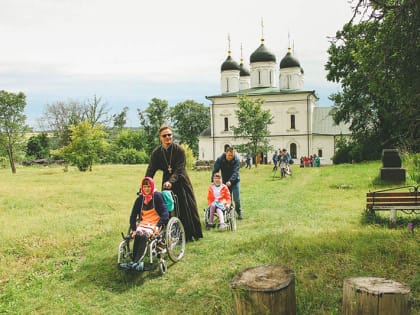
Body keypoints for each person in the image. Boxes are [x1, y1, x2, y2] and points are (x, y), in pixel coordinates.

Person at [146, 125, 203, 242]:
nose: (168, 137)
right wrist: (146, 184)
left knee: (185, 206)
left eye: (169, 135)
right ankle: (171, 233)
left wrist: (171, 181)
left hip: (181, 180)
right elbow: (151, 169)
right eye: (164, 135)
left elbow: (180, 169)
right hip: (166, 181)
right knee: (168, 207)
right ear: (160, 138)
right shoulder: (157, 153)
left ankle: (188, 235)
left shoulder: (179, 150)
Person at [121, 177, 169, 270]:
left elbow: (165, 213)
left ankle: (136, 261)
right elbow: (133, 216)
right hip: (143, 223)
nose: (146, 189)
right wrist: (134, 229)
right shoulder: (140, 199)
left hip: (155, 223)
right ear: (142, 188)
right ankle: (135, 261)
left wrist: (158, 226)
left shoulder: (157, 196)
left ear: (152, 186)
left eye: (148, 186)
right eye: (144, 187)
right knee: (138, 234)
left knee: (144, 235)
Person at [212, 146, 243, 219]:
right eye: (229, 155)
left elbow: (236, 172)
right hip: (225, 182)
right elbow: (215, 170)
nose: (230, 157)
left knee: (236, 199)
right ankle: (229, 214)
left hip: (235, 181)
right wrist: (213, 181)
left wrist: (231, 181)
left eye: (232, 155)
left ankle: (239, 213)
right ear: (226, 153)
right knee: (228, 199)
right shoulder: (220, 159)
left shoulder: (237, 160)